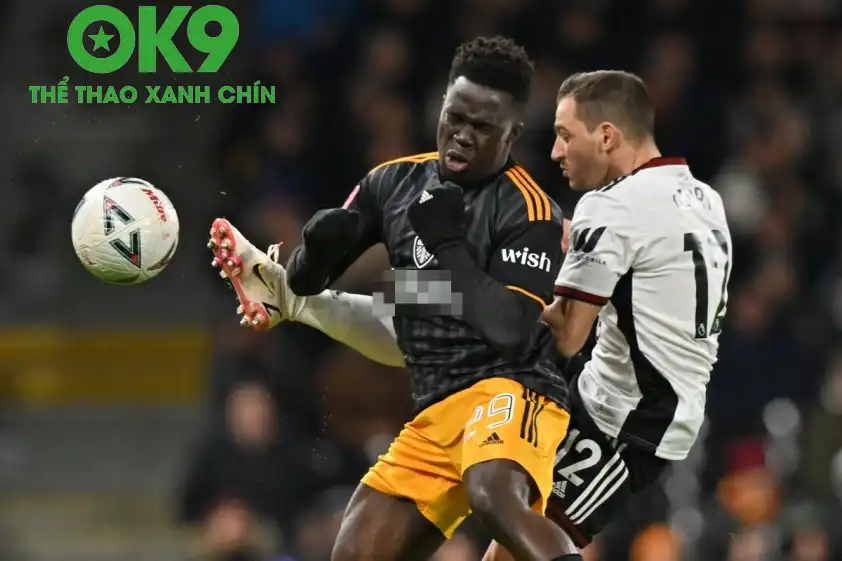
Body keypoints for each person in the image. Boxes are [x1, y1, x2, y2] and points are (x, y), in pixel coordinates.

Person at [208, 36, 582, 561]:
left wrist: (447, 246)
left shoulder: (530, 211)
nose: (462, 135)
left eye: (481, 127)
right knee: (355, 553)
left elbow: (512, 330)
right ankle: (283, 297)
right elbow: (312, 273)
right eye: (455, 117)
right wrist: (316, 253)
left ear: (513, 133)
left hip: (514, 391)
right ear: (441, 105)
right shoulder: (392, 182)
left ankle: (287, 301)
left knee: (493, 494)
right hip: (434, 403)